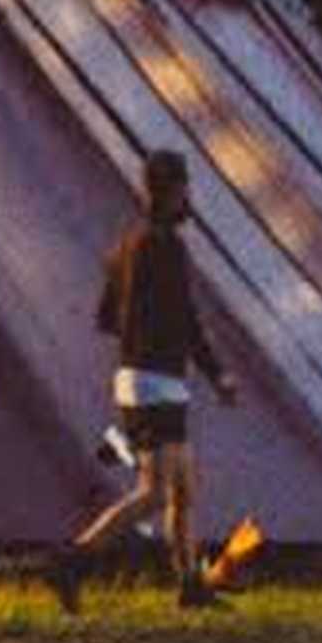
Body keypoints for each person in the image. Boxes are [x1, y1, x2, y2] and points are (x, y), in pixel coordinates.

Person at [50, 151, 243, 612]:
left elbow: (105, 317)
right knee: (155, 492)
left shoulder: (124, 249)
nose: (189, 200)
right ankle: (73, 561)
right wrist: (217, 373)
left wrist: (142, 335)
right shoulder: (167, 247)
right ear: (172, 191)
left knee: (182, 489)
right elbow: (188, 320)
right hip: (157, 381)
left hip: (140, 379)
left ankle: (191, 585)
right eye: (185, 190)